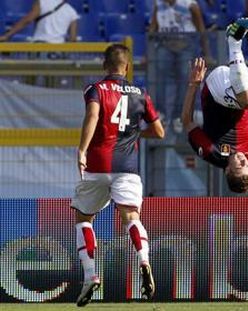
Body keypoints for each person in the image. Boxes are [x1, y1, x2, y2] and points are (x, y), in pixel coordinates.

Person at [71, 44, 164, 306]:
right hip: (127, 167)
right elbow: (159, 132)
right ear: (127, 66)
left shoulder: (96, 89)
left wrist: (82, 149)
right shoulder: (141, 93)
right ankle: (144, 260)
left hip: (98, 164)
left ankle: (90, 276)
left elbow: (92, 115)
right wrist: (135, 133)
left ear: (104, 65)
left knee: (84, 219)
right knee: (131, 217)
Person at [181, 18, 248, 193]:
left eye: (239, 166)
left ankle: (234, 41)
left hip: (217, 87)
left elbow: (186, 121)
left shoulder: (210, 152)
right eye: (247, 166)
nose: (244, 161)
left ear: (228, 170)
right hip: (241, 84)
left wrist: (194, 85)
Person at [148, 0, 211, 134]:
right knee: (159, 77)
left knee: (185, 79)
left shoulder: (190, 4)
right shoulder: (158, 4)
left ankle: (179, 116)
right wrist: (146, 53)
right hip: (165, 44)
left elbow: (201, 28)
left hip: (186, 45)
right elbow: (153, 28)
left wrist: (207, 53)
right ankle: (161, 114)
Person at [0, 0, 79, 43]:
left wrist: (7, 35)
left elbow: (27, 20)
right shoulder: (72, 11)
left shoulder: (42, 2)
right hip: (58, 50)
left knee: (32, 72)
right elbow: (73, 39)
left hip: (40, 47)